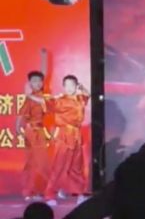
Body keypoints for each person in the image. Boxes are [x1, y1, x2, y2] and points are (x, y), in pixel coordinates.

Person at [27, 74, 90, 207]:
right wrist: (30, 96)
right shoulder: (60, 100)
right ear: (63, 86)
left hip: (76, 136)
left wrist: (82, 87)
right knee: (59, 166)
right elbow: (44, 101)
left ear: (76, 86)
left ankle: (80, 193)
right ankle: (49, 194)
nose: (69, 88)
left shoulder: (80, 98)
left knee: (77, 167)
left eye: (72, 85)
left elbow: (87, 94)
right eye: (66, 85)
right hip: (63, 136)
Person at [17, 49, 50, 201]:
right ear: (29, 83)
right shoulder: (30, 98)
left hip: (37, 131)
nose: (37, 82)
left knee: (38, 162)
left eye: (39, 81)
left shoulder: (40, 96)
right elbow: (21, 114)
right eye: (34, 81)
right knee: (32, 162)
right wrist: (18, 128)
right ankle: (31, 191)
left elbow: (43, 73)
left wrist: (43, 57)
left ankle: (43, 190)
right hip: (31, 132)